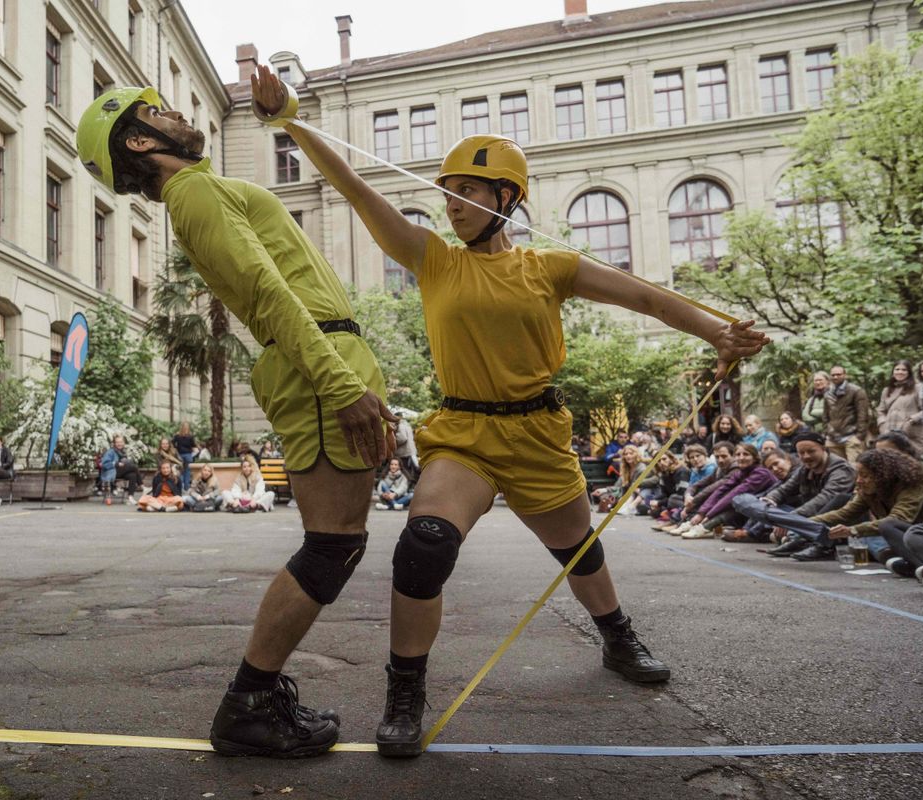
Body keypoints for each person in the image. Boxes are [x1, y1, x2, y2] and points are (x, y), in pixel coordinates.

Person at [252, 66, 769, 756]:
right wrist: (290, 117)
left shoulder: (549, 268)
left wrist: (717, 333)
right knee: (423, 547)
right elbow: (353, 186)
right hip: (462, 435)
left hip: (537, 432)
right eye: (447, 191)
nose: (452, 204)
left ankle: (617, 637)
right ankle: (405, 692)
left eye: (466, 191)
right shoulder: (433, 259)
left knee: (577, 548)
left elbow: (647, 297)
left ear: (506, 196)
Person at [78, 84, 395, 758]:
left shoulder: (203, 189)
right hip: (319, 368)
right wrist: (341, 384)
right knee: (332, 545)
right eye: (158, 112)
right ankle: (247, 705)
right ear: (139, 141)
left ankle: (254, 699)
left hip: (326, 357)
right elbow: (268, 293)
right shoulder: (192, 193)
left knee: (336, 543)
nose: (177, 113)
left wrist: (286, 118)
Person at [766, 448, 923, 562]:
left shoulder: (912, 486)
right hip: (898, 538)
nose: (859, 481)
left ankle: (913, 563)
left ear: (883, 476)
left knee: (886, 526)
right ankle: (899, 561)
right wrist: (801, 524)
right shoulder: (869, 491)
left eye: (865, 476)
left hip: (918, 535)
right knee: (870, 538)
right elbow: (843, 513)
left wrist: (852, 530)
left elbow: (898, 519)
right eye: (858, 475)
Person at [730, 432, 855, 545]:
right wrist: (770, 499)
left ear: (823, 449)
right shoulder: (804, 469)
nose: (806, 456)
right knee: (756, 503)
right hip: (807, 516)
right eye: (801, 453)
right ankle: (760, 534)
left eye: (811, 451)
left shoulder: (840, 469)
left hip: (831, 518)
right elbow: (784, 489)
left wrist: (790, 519)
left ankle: (801, 540)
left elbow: (825, 498)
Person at [678, 444, 778, 540]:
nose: (741, 457)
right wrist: (702, 513)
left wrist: (708, 515)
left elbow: (734, 493)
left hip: (768, 512)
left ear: (755, 457)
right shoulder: (739, 472)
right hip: (750, 512)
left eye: (746, 454)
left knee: (736, 501)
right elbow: (720, 490)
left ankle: (706, 527)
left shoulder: (761, 473)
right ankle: (697, 523)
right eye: (738, 454)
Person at [664, 442, 737, 533]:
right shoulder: (717, 469)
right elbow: (694, 485)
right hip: (705, 500)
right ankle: (681, 520)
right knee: (675, 498)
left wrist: (691, 503)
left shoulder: (731, 469)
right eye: (717, 457)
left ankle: (687, 522)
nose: (720, 460)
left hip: (724, 502)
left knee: (702, 494)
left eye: (724, 456)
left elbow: (712, 488)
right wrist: (688, 496)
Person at [824, 365, 871, 462]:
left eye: (838, 374)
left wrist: (859, 436)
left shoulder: (856, 391)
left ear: (845, 375)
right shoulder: (828, 392)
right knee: (836, 467)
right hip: (833, 438)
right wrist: (827, 430)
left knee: (854, 467)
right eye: (833, 375)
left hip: (851, 436)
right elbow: (825, 415)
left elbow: (863, 415)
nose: (835, 377)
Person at [876, 360, 923, 453]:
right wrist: (882, 425)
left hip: (911, 435)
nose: (900, 372)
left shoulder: (918, 388)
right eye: (897, 369)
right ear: (893, 372)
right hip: (889, 435)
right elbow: (880, 411)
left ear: (909, 372)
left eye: (904, 370)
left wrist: (911, 420)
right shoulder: (887, 390)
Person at [590, 444, 644, 513]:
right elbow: (617, 486)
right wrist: (604, 490)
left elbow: (637, 488)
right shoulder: (625, 468)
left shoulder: (641, 468)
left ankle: (625, 507)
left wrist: (623, 497)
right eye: (626, 454)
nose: (628, 456)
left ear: (636, 455)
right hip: (624, 493)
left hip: (638, 495)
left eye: (631, 453)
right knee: (604, 495)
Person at [645, 452, 690, 522]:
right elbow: (664, 493)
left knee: (673, 499)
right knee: (650, 500)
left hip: (682, 499)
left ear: (671, 459)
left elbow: (681, 493)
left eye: (664, 459)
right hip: (670, 500)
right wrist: (655, 501)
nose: (661, 463)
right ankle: (667, 512)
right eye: (658, 461)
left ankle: (671, 513)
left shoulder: (682, 471)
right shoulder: (663, 474)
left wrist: (659, 503)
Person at [100, 435, 144, 504]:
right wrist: (116, 464)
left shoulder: (122, 452)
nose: (119, 444)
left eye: (121, 442)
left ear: (124, 443)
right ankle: (142, 486)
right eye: (117, 442)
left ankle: (130, 497)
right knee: (133, 467)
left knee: (133, 475)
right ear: (114, 443)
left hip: (119, 472)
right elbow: (104, 464)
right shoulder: (111, 452)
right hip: (112, 472)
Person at [173, 421, 197, 492]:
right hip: (187, 455)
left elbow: (173, 444)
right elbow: (193, 446)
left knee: (181, 471)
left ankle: (182, 487)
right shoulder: (190, 436)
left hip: (180, 455)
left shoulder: (177, 436)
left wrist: (176, 449)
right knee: (187, 471)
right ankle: (186, 487)